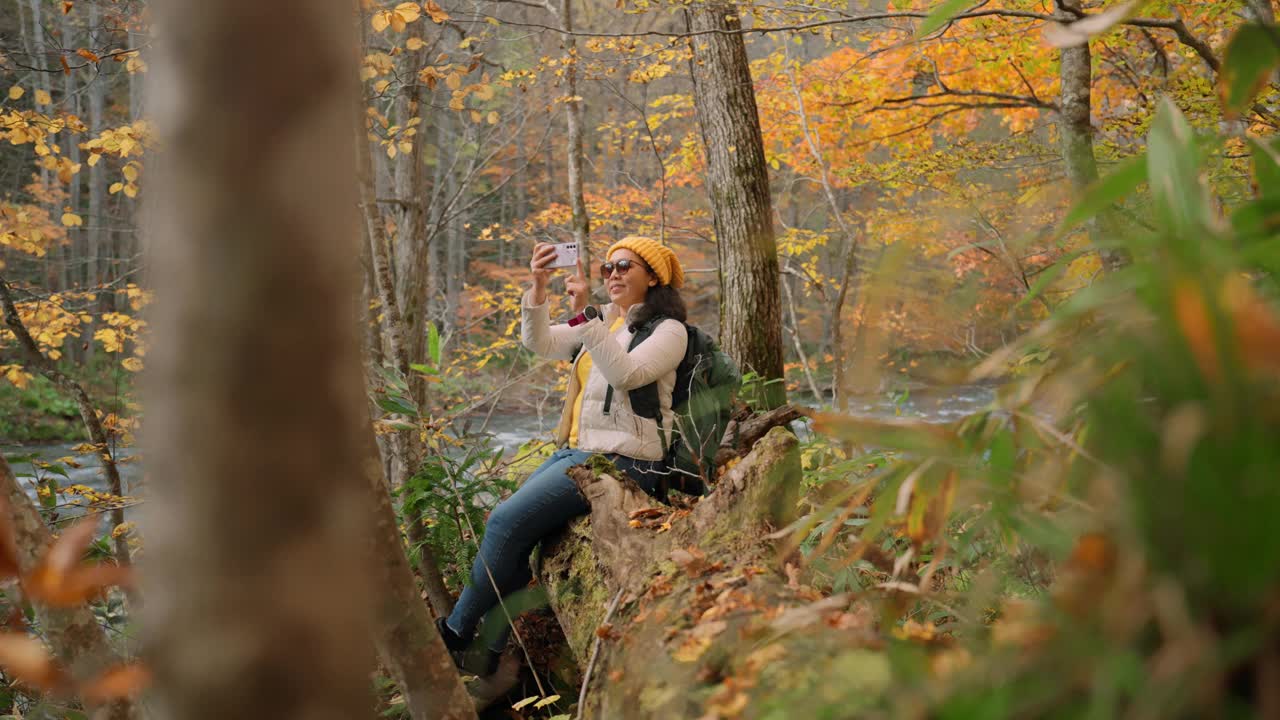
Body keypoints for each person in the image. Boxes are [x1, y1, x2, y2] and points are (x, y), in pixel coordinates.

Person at [436, 235, 689, 673]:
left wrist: (588, 317)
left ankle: (456, 633)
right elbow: (539, 343)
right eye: (608, 267)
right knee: (512, 537)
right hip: (577, 453)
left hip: (627, 462)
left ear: (653, 276)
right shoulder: (605, 322)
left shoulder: (669, 331)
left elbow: (626, 374)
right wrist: (538, 286)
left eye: (624, 266)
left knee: (504, 522)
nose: (612, 274)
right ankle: (491, 653)